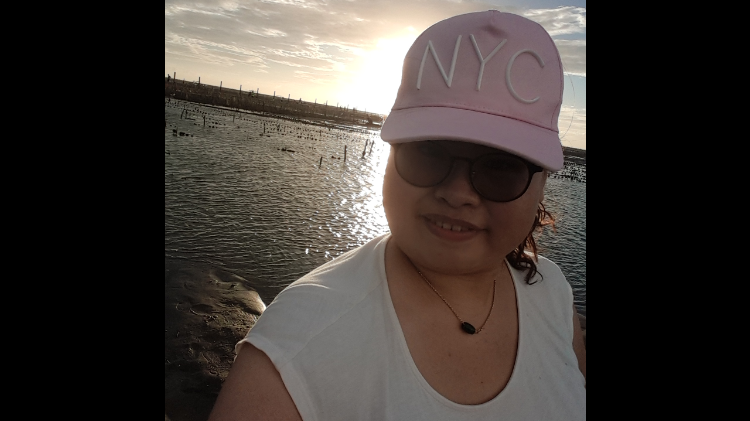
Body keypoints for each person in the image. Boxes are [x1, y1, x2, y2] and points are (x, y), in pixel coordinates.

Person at [209, 10, 585, 420]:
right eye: (428, 153)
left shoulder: (551, 292)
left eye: (501, 168)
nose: (458, 193)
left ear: (542, 183)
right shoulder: (295, 348)